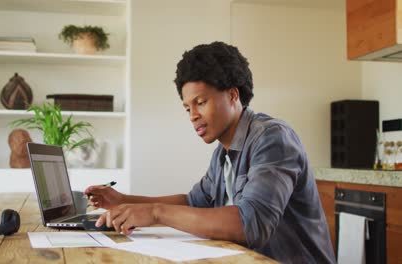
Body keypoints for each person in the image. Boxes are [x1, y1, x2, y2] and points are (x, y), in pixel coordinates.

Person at [85, 41, 335, 263]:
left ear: (233, 95)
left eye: (201, 102)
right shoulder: (223, 153)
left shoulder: (273, 138)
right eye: (187, 108)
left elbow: (252, 224)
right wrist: (124, 200)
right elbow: (194, 202)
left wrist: (156, 213)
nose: (193, 116)